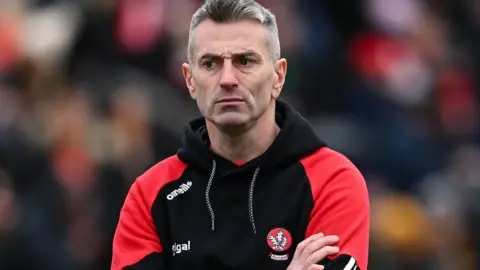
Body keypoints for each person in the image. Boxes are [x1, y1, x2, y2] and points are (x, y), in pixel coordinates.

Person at [111, 0, 370, 269]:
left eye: (244, 61)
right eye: (210, 63)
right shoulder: (150, 196)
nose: (227, 79)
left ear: (278, 76)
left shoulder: (332, 182)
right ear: (190, 80)